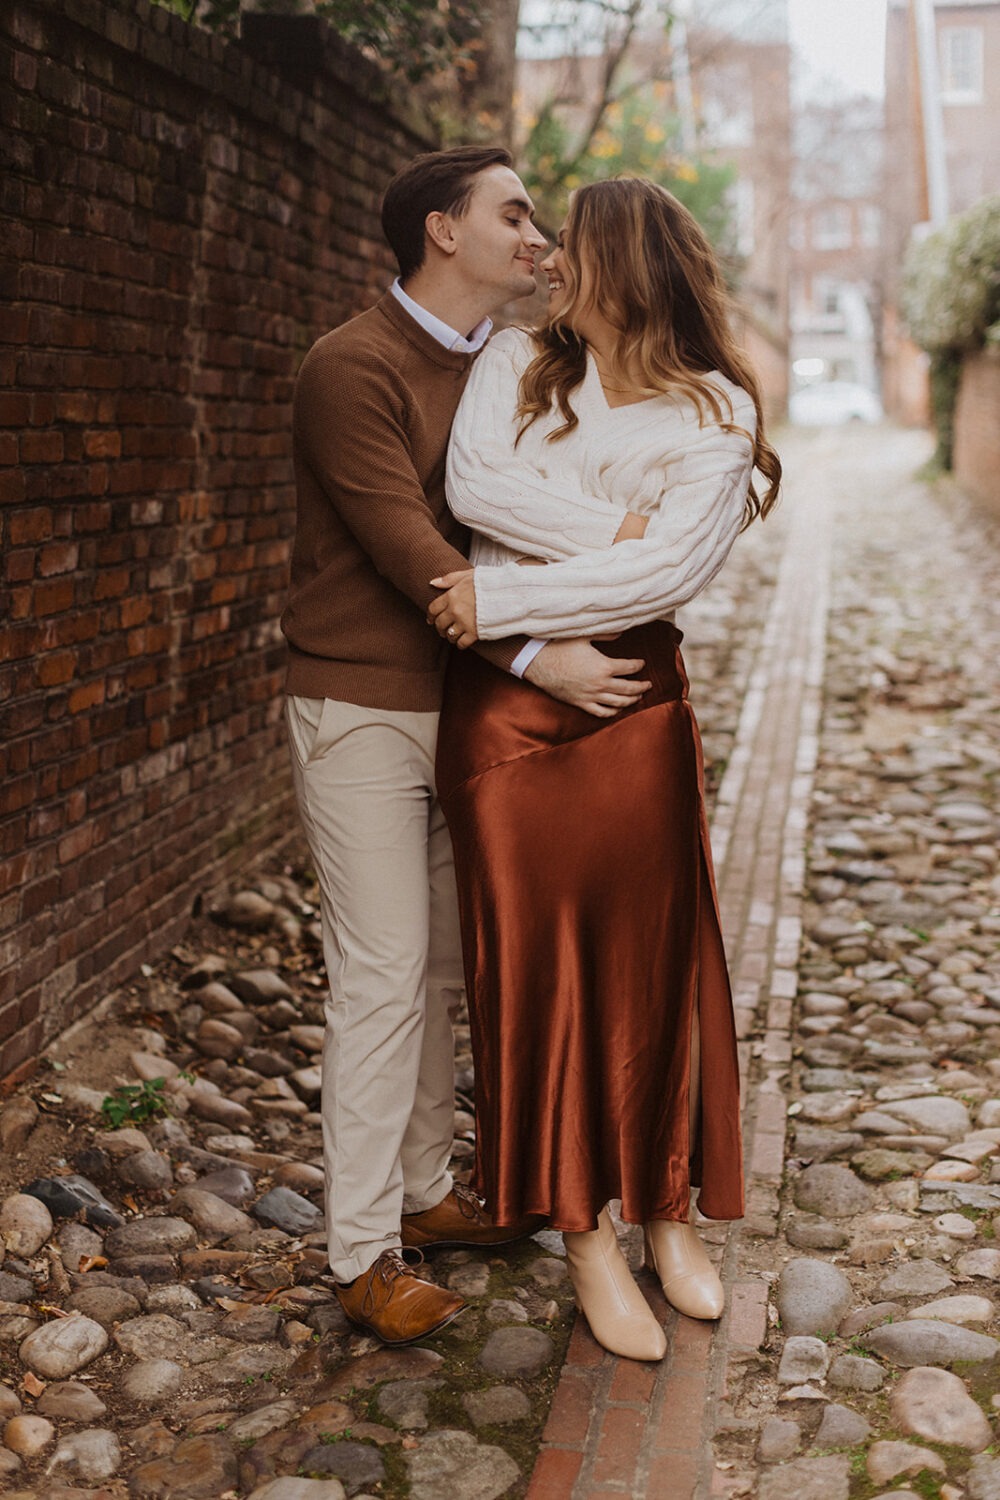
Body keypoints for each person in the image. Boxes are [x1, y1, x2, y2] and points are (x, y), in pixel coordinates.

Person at [281, 147, 653, 1347]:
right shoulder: (349, 367)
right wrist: (543, 658)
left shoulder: (507, 367)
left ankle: (429, 1194)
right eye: (514, 213)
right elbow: (412, 548)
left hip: (469, 709)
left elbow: (532, 519)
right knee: (384, 970)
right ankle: (358, 1254)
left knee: (445, 961)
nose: (538, 235)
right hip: (362, 708)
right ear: (442, 231)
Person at [428, 177, 781, 1361]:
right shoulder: (515, 362)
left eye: (569, 247)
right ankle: (582, 1234)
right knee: (540, 980)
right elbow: (475, 490)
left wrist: (498, 592)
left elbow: (666, 580)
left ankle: (667, 1207)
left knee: (656, 965)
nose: (547, 263)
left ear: (626, 265)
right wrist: (613, 536)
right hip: (507, 721)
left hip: (632, 706)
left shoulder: (716, 408)